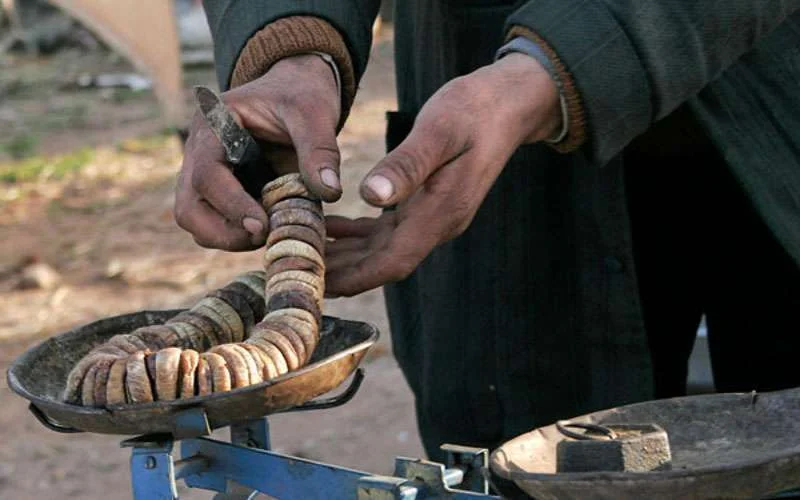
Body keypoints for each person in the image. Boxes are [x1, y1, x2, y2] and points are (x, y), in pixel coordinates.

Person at [177, 0, 800, 466]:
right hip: (493, 178)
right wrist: (293, 42)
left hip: (772, 147)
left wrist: (557, 70)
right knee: (514, 454)